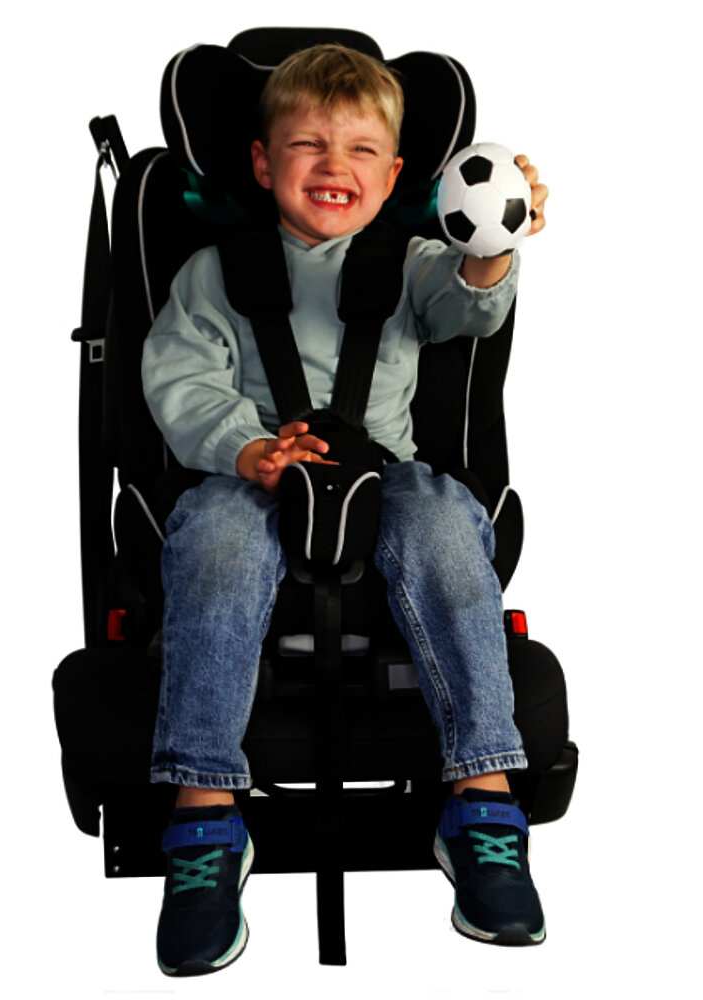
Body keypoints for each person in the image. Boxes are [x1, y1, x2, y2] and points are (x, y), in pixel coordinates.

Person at [141, 43, 550, 976]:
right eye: (308, 145)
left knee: (445, 522)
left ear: (398, 176)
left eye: (362, 150)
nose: (335, 166)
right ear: (261, 163)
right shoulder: (213, 272)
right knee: (214, 541)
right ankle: (205, 814)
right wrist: (246, 446)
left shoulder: (412, 263)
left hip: (385, 478)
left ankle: (483, 799)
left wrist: (492, 243)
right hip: (256, 471)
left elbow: (469, 308)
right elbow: (181, 380)